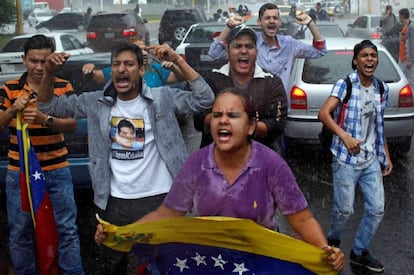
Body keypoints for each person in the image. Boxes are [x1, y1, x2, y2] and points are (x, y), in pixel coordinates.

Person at [95, 88, 346, 273]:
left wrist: (325, 252)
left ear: (250, 127)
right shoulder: (196, 164)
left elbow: (301, 218)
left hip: (258, 260)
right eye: (217, 115)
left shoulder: (271, 165)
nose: (223, 120)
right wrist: (121, 233)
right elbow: (165, 215)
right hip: (206, 262)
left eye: (232, 115)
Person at [37, 42, 214, 274]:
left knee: (165, 265)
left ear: (141, 70)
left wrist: (178, 61)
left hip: (161, 199)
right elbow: (48, 105)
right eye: (116, 64)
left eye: (129, 64)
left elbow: (205, 98)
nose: (121, 69)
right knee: (114, 266)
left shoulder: (162, 98)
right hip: (114, 202)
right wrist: (49, 72)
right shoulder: (96, 103)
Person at [0, 34, 84, 273]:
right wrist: (12, 110)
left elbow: (72, 124)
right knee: (20, 231)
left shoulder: (62, 85)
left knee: (66, 229)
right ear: (23, 59)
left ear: (52, 61)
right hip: (20, 171)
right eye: (33, 61)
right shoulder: (10, 88)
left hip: (57, 168)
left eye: (44, 61)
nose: (39, 67)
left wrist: (44, 119)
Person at [318, 40, 393, 273]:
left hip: (370, 159)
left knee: (376, 209)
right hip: (345, 160)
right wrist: (344, 136)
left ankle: (359, 251)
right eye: (364, 56)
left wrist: (386, 157)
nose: (369, 59)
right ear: (355, 61)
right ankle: (333, 242)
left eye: (373, 55)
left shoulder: (381, 88)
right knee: (344, 210)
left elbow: (378, 126)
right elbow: (324, 113)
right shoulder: (345, 84)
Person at [82, 38, 201, 155]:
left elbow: (181, 78)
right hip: (129, 130)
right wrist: (89, 70)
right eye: (139, 50)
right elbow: (95, 77)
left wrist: (175, 63)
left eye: (145, 50)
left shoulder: (155, 70)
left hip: (159, 131)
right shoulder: (119, 70)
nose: (144, 53)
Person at [209, 3, 326, 105]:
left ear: (279, 22)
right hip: (251, 105)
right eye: (267, 18)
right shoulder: (251, 43)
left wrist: (310, 24)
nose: (271, 21)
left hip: (280, 106)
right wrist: (229, 27)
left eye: (275, 18)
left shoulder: (289, 44)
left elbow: (319, 51)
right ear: (259, 22)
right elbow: (214, 53)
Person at [194, 25, 287, 154]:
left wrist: (238, 125)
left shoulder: (272, 83)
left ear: (256, 51)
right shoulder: (211, 79)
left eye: (249, 46)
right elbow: (198, 119)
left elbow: (277, 125)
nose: (244, 51)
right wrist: (240, 124)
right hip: (216, 158)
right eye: (238, 46)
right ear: (227, 52)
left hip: (260, 158)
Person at [398, 8, 414, 89]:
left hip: (408, 60)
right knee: (403, 82)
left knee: (410, 81)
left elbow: (412, 44)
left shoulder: (411, 27)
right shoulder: (404, 27)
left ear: (403, 16)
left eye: (399, 16)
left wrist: (410, 60)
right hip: (402, 58)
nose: (398, 17)